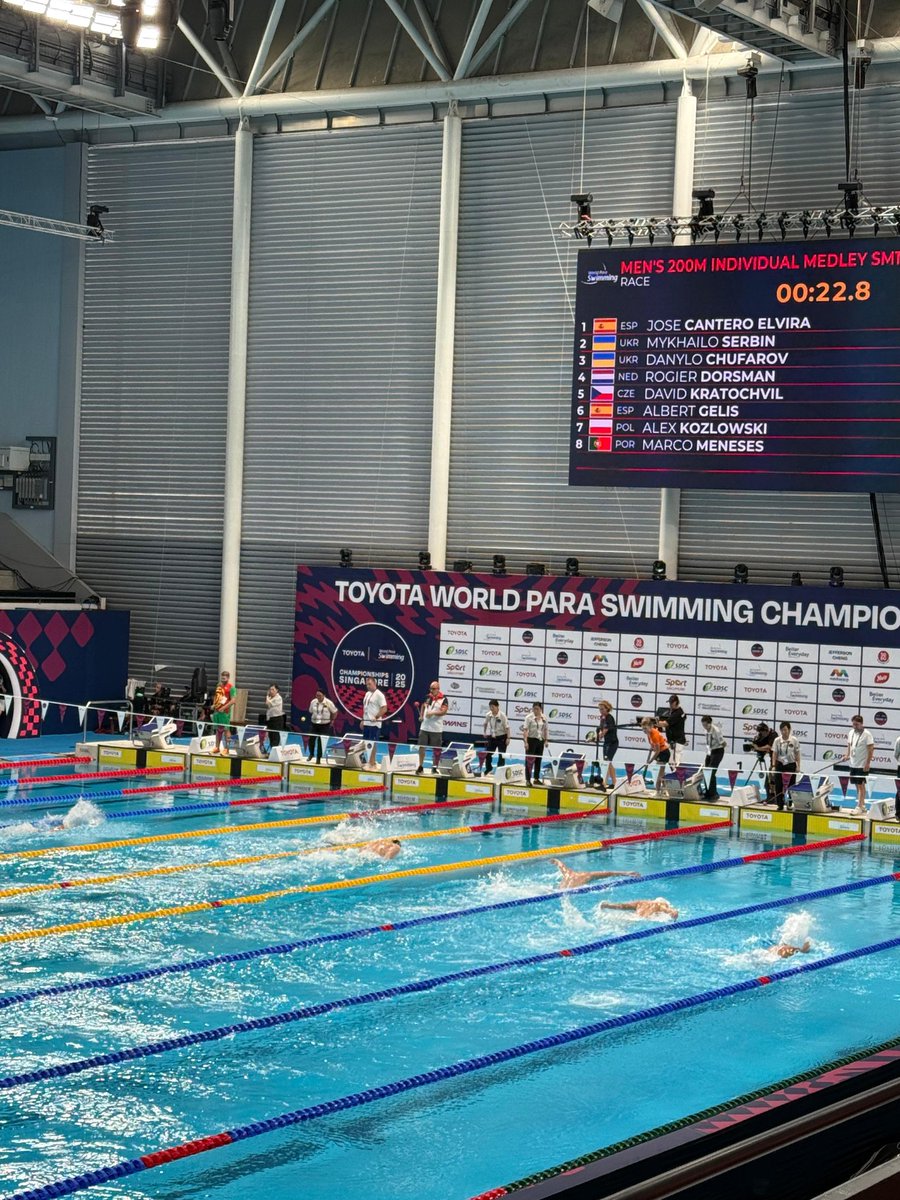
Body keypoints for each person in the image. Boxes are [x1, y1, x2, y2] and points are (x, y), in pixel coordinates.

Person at [842, 714, 875, 815]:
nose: (854, 726)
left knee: (861, 785)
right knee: (857, 785)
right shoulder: (851, 732)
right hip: (853, 764)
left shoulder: (867, 734)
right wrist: (847, 755)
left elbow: (871, 749)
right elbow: (850, 745)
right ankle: (863, 805)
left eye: (857, 724)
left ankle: (859, 806)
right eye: (853, 724)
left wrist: (867, 763)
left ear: (861, 724)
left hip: (862, 764)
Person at [416, 680, 448, 774]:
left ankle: (434, 767)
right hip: (424, 727)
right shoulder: (428, 697)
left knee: (436, 749)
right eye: (430, 688)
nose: (431, 690)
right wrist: (421, 715)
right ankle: (420, 766)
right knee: (421, 747)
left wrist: (433, 713)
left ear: (438, 689)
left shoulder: (443, 699)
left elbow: (444, 712)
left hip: (436, 729)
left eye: (433, 689)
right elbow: (423, 706)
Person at [771, 720, 801, 811]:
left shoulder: (794, 740)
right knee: (778, 784)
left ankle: (790, 803)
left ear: (789, 730)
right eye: (782, 730)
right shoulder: (777, 740)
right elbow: (774, 753)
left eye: (785, 730)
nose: (784, 732)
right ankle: (780, 804)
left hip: (791, 764)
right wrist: (773, 766)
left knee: (791, 785)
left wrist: (798, 766)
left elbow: (797, 753)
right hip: (780, 764)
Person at [553, 859, 640, 889]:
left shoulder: (567, 873)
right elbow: (607, 873)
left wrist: (554, 860)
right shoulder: (586, 875)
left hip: (556, 891)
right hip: (571, 893)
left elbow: (560, 864)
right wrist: (625, 873)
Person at [361, 675, 387, 767]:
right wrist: (362, 720)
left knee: (372, 743)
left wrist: (376, 717)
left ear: (374, 684)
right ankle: (368, 760)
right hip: (367, 722)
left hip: (374, 724)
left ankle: (372, 762)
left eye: (369, 684)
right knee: (366, 742)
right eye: (367, 684)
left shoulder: (379, 695)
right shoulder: (367, 694)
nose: (368, 686)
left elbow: (384, 708)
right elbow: (365, 708)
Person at [522, 701, 550, 786]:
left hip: (540, 741)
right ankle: (527, 779)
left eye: (537, 709)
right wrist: (526, 742)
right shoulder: (529, 718)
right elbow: (525, 730)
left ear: (541, 709)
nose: (535, 711)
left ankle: (536, 778)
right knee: (529, 761)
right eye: (534, 709)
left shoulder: (544, 718)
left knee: (538, 760)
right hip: (531, 740)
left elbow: (545, 730)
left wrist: (546, 740)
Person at [640, 715, 670, 791]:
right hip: (660, 752)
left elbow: (658, 750)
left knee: (659, 774)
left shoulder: (654, 735)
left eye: (646, 728)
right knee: (661, 774)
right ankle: (665, 790)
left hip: (663, 753)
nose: (644, 731)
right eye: (643, 729)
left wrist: (650, 760)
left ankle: (657, 791)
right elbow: (654, 745)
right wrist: (651, 748)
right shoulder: (648, 733)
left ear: (650, 726)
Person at [308, 688, 337, 763]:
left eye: (320, 695)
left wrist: (332, 720)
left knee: (321, 742)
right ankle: (311, 754)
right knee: (311, 739)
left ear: (324, 695)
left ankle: (318, 758)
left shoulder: (328, 703)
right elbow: (310, 711)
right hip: (314, 724)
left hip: (324, 725)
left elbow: (335, 712)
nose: (318, 697)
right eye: (317, 695)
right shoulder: (313, 702)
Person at [700, 715, 726, 800]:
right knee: (706, 772)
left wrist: (716, 749)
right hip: (710, 751)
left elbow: (723, 744)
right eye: (703, 725)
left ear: (710, 723)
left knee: (711, 772)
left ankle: (714, 794)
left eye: (706, 725)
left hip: (718, 751)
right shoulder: (706, 730)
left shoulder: (716, 731)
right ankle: (708, 792)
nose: (705, 727)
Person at [749, 722, 777, 802]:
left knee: (772, 780)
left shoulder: (773, 735)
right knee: (768, 780)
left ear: (765, 731)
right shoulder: (762, 735)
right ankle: (770, 798)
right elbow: (757, 743)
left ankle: (774, 799)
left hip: (777, 761)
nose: (761, 734)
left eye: (761, 733)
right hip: (773, 760)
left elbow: (769, 747)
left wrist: (758, 748)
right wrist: (754, 744)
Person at [595, 700, 618, 790]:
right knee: (607, 762)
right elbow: (601, 730)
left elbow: (605, 730)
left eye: (602, 709)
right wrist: (595, 737)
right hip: (606, 742)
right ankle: (610, 782)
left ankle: (609, 782)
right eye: (599, 709)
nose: (601, 711)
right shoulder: (602, 718)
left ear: (607, 709)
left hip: (612, 742)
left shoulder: (609, 717)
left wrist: (599, 736)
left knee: (607, 761)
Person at [483, 699, 510, 775]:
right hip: (492, 737)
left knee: (501, 755)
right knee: (488, 754)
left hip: (502, 737)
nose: (491, 709)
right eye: (490, 707)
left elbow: (507, 727)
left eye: (493, 707)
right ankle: (489, 768)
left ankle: (499, 771)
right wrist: (484, 732)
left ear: (497, 707)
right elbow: (485, 723)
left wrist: (508, 738)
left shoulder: (502, 715)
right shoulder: (488, 714)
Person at [211, 669, 236, 755]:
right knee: (218, 730)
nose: (223, 680)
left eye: (224, 678)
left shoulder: (231, 688)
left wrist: (223, 708)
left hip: (225, 712)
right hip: (217, 712)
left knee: (226, 730)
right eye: (222, 678)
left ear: (228, 678)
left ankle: (227, 749)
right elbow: (216, 697)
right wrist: (214, 705)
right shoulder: (219, 686)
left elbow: (233, 701)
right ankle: (217, 747)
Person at [599, 897, 679, 920]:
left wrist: (608, 905)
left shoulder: (641, 902)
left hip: (632, 917)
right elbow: (667, 910)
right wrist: (673, 911)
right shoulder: (660, 904)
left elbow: (622, 906)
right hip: (641, 920)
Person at [663, 695, 687, 767]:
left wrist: (654, 722)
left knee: (676, 762)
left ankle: (679, 777)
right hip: (673, 740)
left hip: (677, 741)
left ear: (675, 702)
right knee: (671, 761)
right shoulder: (676, 712)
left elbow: (665, 723)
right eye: (669, 703)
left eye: (671, 703)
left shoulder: (677, 713)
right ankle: (677, 776)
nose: (670, 705)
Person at [264, 684, 285, 749]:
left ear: (277, 690)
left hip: (277, 719)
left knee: (276, 736)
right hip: (270, 719)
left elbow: (268, 703)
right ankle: (272, 750)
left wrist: (267, 696)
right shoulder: (270, 698)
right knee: (271, 736)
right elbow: (268, 705)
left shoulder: (278, 698)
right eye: (270, 689)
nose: (271, 691)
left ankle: (274, 750)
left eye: (273, 689)